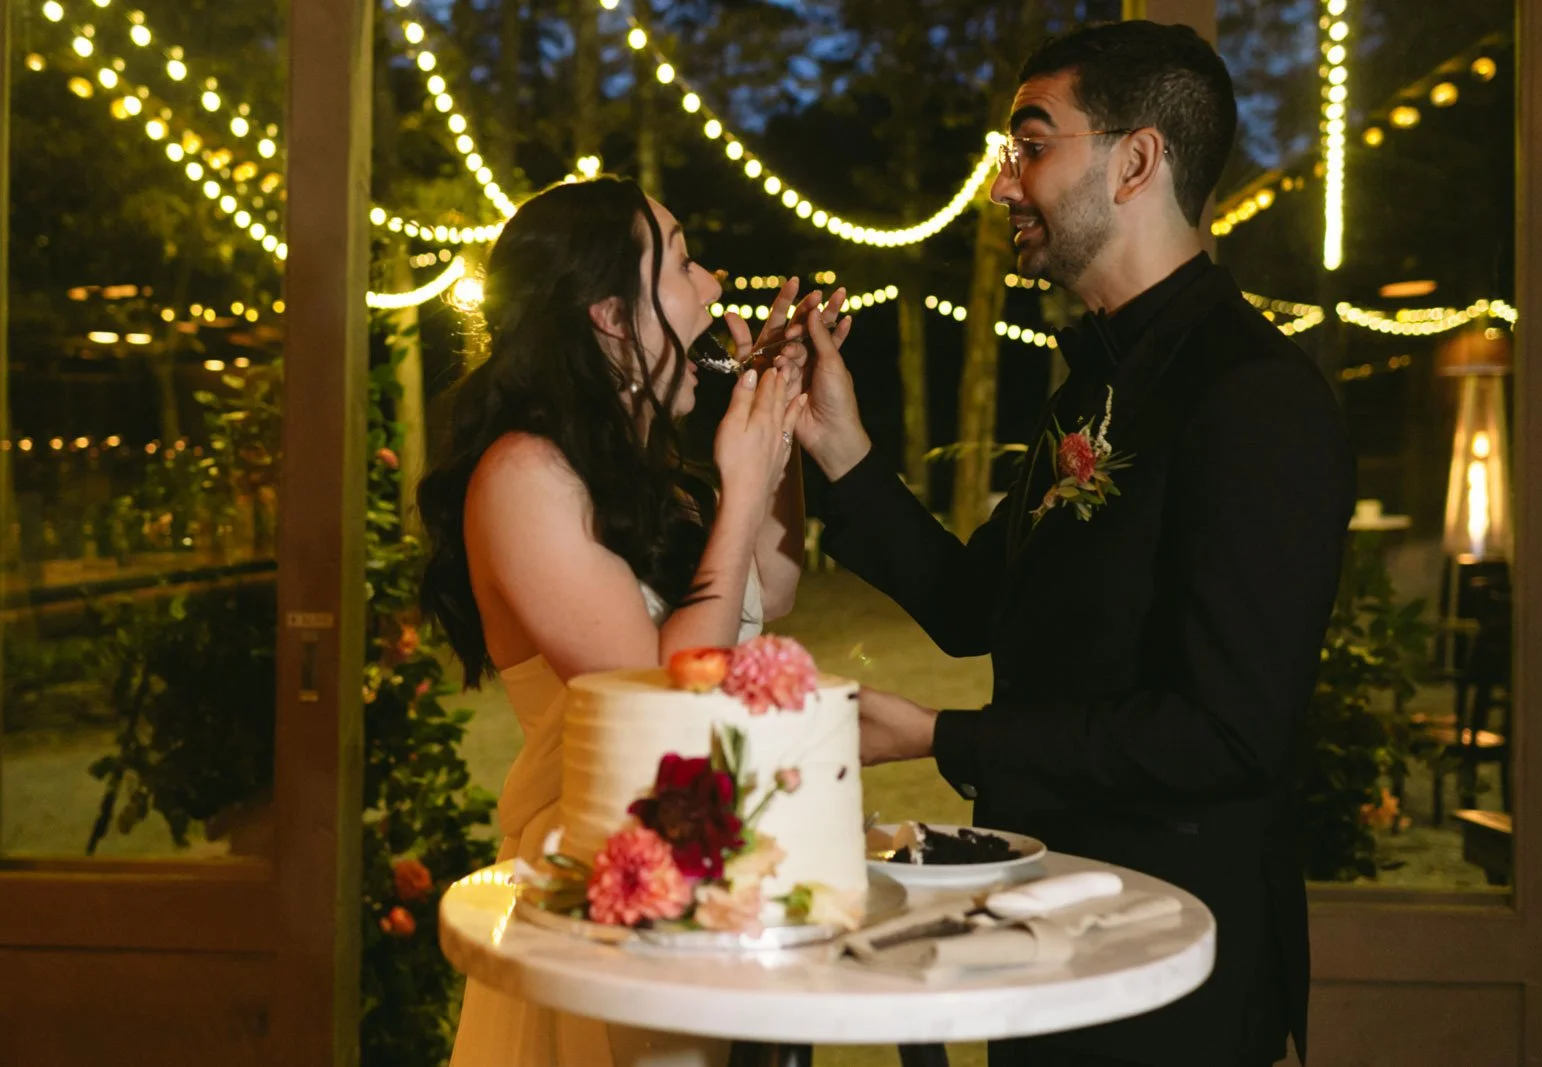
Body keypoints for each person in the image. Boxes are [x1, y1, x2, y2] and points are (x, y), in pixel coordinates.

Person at [792, 21, 1355, 1067]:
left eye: (1032, 144)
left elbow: (1228, 735)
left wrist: (943, 738)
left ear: (1135, 160)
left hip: (1175, 963)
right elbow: (974, 605)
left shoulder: (1254, 398)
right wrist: (842, 452)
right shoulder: (1095, 383)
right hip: (1051, 930)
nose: (1004, 185)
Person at [419, 175, 843, 1067]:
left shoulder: (646, 473)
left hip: (707, 867)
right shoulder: (523, 475)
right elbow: (660, 699)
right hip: (602, 887)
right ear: (611, 313)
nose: (715, 285)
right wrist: (741, 478)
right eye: (685, 261)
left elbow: (772, 583)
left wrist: (776, 428)